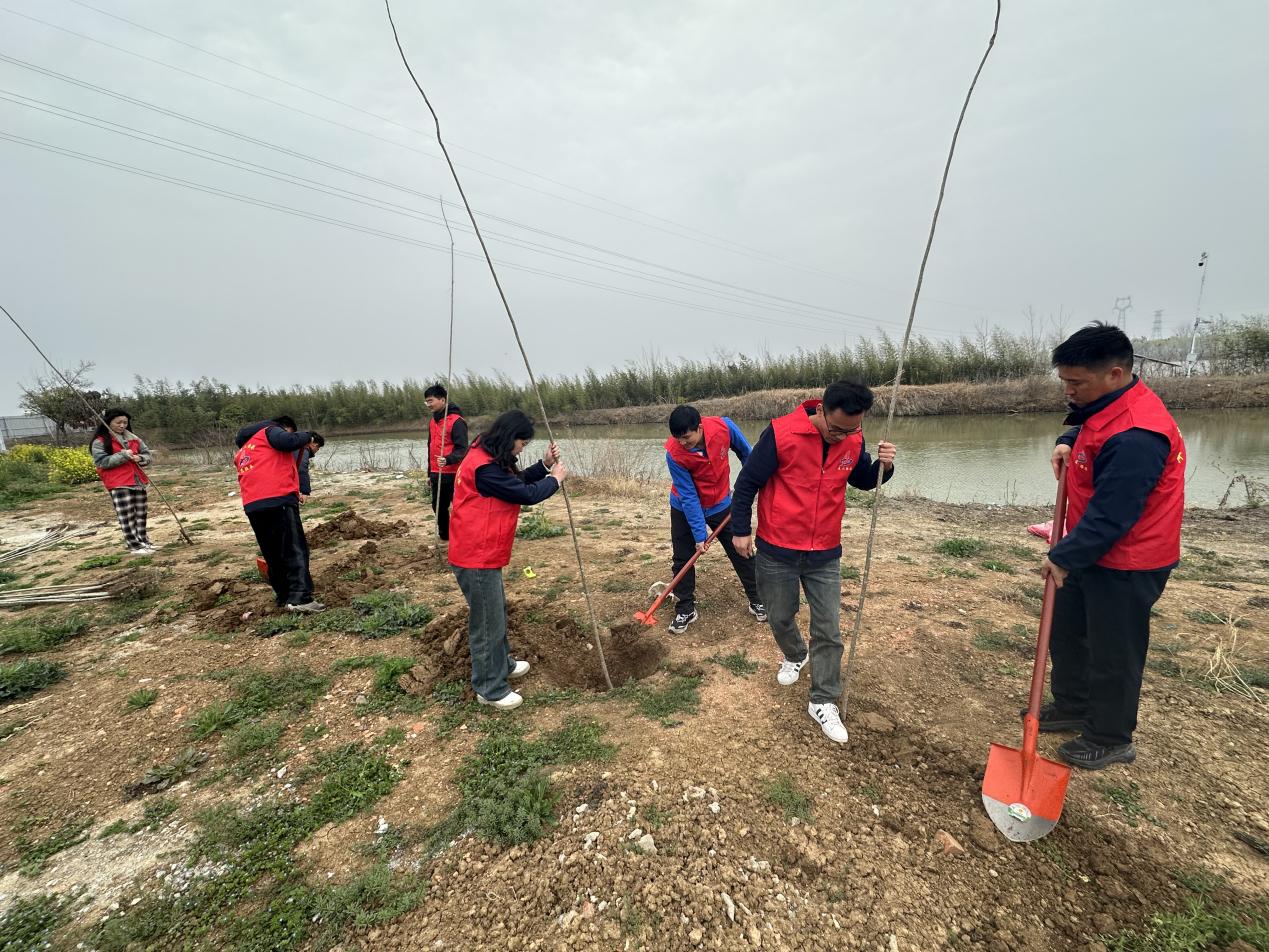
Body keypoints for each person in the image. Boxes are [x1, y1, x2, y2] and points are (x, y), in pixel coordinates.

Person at [1037, 322, 1185, 770]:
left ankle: (1110, 736)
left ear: (1115, 374)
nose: (1069, 391)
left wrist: (1062, 557)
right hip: (1091, 547)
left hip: (1128, 560)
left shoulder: (1138, 435)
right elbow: (1087, 424)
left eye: (1076, 383)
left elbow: (1114, 516)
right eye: (1064, 381)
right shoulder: (1105, 404)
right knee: (1067, 630)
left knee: (1113, 650)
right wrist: (1067, 440)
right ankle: (1074, 705)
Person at [730, 381, 896, 745]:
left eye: (852, 430)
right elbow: (746, 484)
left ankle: (823, 699)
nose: (843, 437)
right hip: (777, 549)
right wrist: (740, 530)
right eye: (837, 430)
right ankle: (795, 653)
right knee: (779, 616)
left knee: (828, 629)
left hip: (824, 552)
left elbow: (863, 480)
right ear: (820, 410)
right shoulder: (781, 434)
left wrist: (885, 466)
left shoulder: (852, 437)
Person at [448, 410, 566, 710]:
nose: (521, 450)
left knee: (496, 612)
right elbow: (525, 493)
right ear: (509, 438)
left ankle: (502, 664)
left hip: (482, 552)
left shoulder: (487, 456)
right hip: (475, 555)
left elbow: (515, 480)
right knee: (487, 622)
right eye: (521, 444)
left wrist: (544, 466)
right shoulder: (484, 469)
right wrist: (555, 480)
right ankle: (490, 688)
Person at [663, 405, 764, 634]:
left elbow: (748, 455)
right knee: (683, 558)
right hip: (684, 507)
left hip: (721, 503)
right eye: (678, 439)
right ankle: (685, 608)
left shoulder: (724, 427)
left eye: (686, 438)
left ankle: (758, 599)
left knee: (742, 550)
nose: (682, 443)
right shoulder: (674, 453)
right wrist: (700, 535)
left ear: (699, 428)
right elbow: (688, 496)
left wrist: (752, 484)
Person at [234, 415, 324, 613]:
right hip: (278, 499)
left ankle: (284, 596)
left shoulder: (245, 449)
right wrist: (308, 436)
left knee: (273, 553)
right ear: (286, 427)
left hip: (253, 505)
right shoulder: (271, 431)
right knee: (293, 549)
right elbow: (287, 441)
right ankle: (300, 598)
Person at [90, 408, 155, 554]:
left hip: (138, 481)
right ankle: (134, 545)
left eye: (125, 422)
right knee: (126, 515)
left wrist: (140, 458)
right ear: (108, 422)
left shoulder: (134, 438)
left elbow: (147, 454)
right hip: (118, 482)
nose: (122, 425)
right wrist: (123, 455)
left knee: (141, 513)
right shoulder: (100, 442)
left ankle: (144, 541)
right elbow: (102, 462)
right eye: (118, 422)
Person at [424, 384, 469, 541]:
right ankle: (446, 536)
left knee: (460, 507)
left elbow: (462, 449)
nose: (428, 404)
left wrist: (448, 459)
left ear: (442, 400)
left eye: (431, 401)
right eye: (426, 402)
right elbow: (430, 448)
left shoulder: (457, 421)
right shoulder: (432, 421)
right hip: (437, 472)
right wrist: (429, 473)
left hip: (454, 472)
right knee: (437, 506)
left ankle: (465, 535)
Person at [295, 432, 325, 504]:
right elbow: (302, 469)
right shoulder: (303, 449)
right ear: (315, 444)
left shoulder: (294, 446)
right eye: (318, 448)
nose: (316, 451)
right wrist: (304, 491)